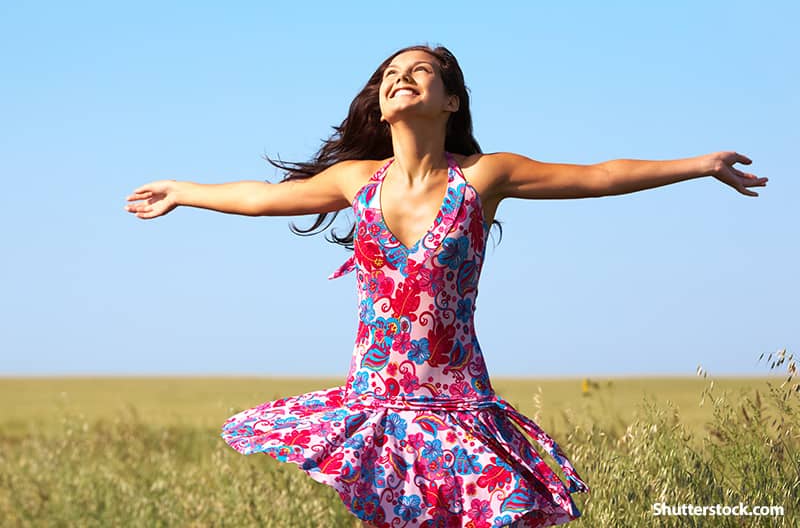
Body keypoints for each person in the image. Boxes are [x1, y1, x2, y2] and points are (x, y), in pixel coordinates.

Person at [124, 44, 767, 527]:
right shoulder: (357, 181)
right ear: (380, 104)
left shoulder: (484, 177)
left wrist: (701, 165)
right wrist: (182, 192)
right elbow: (264, 197)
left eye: (418, 72)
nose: (400, 79)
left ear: (450, 101)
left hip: (458, 406)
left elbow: (599, 174)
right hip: (375, 405)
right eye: (389, 77)